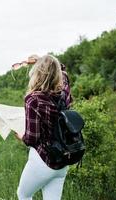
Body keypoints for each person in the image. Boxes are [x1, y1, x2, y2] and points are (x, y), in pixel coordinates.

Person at [13, 54, 73, 200]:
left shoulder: (33, 99)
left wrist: (20, 135)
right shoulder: (63, 92)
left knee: (24, 194)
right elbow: (62, 71)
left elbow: (32, 138)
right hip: (63, 161)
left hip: (43, 161)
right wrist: (43, 60)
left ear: (37, 73)